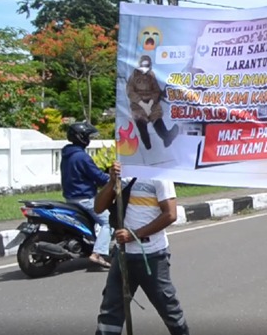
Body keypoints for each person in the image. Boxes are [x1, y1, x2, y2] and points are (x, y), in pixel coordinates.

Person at [94, 161, 189, 335]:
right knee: (110, 311)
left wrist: (134, 235)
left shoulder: (160, 174)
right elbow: (98, 207)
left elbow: (170, 214)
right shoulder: (123, 172)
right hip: (123, 256)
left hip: (152, 256)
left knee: (169, 310)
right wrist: (111, 181)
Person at [61, 121, 112, 268]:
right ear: (81, 137)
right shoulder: (82, 157)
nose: (89, 139)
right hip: (85, 198)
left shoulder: (67, 154)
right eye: (87, 136)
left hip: (70, 198)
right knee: (108, 222)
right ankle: (98, 253)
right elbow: (98, 177)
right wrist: (112, 179)